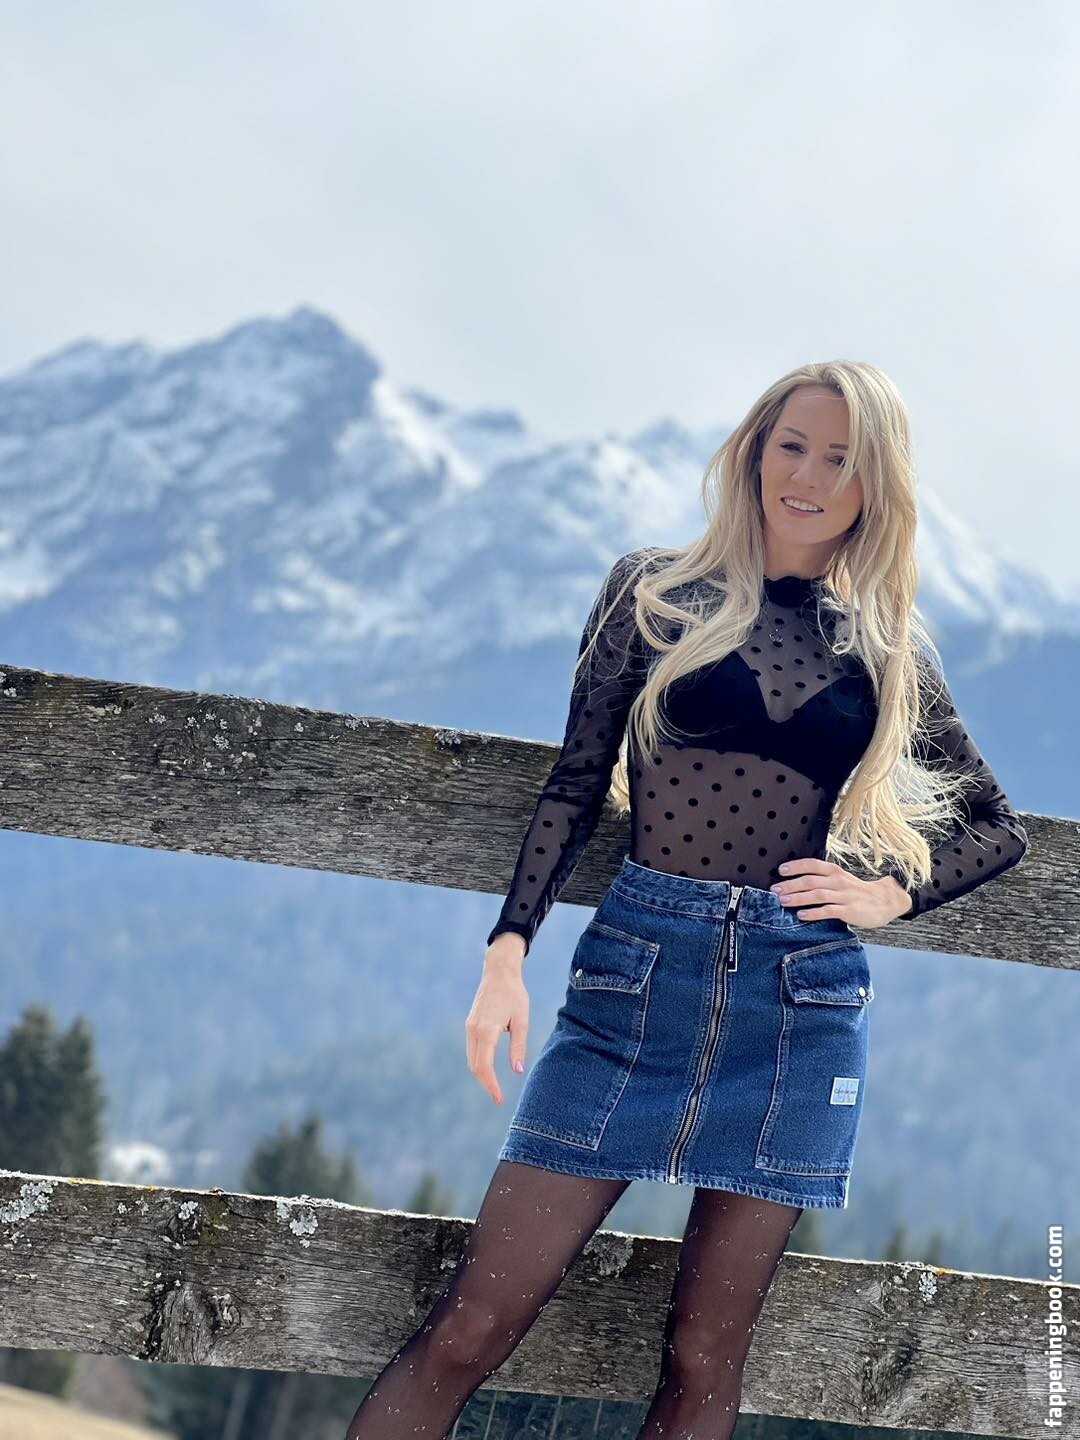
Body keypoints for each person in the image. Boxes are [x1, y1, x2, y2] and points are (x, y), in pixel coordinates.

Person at [342, 362, 1029, 1440]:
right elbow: (576, 783)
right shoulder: (654, 593)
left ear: (875, 487)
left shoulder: (883, 646)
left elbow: (997, 827)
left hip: (797, 1006)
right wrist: (507, 953)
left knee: (706, 1363)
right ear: (755, 450)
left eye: (841, 459)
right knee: (471, 1326)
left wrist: (887, 897)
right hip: (635, 982)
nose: (808, 476)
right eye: (792, 445)